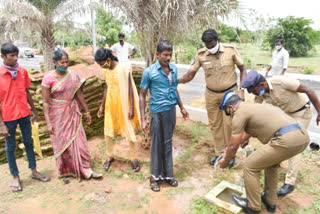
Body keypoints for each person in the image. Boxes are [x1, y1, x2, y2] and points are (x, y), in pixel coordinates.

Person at [218, 91, 309, 214]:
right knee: (270, 165)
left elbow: (233, 145)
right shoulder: (254, 107)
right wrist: (241, 142)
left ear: (230, 107)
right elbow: (251, 130)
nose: (230, 116)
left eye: (228, 114)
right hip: (301, 136)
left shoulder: (238, 113)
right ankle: (270, 201)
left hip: (286, 139)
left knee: (250, 166)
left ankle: (253, 206)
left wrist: (225, 161)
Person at [241, 70, 320, 197]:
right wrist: (246, 137)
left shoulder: (281, 82)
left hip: (301, 111)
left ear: (262, 84)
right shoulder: (260, 95)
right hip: (285, 115)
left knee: (294, 141)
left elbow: (308, 90)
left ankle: (290, 183)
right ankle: (275, 163)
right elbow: (255, 116)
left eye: (254, 90)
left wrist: (319, 110)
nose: (254, 93)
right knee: (277, 141)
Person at [177, 29, 247, 167]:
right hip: (211, 94)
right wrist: (177, 80)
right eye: (207, 46)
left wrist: (242, 89)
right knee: (215, 125)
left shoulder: (230, 50)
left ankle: (229, 154)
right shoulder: (201, 54)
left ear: (218, 40)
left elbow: (243, 69)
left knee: (228, 124)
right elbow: (190, 74)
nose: (210, 48)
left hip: (229, 94)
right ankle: (220, 153)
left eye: (212, 45)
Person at [42, 50, 102, 182]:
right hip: (57, 115)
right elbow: (45, 102)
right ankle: (66, 170)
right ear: (54, 62)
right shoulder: (48, 79)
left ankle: (85, 168)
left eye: (66, 62)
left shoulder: (73, 75)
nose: (65, 64)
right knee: (61, 142)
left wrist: (86, 111)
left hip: (72, 112)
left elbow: (78, 94)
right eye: (61, 62)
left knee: (80, 140)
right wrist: (48, 123)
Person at [139, 40, 189, 192]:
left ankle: (168, 175)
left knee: (168, 143)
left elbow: (174, 89)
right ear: (157, 54)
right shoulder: (149, 72)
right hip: (157, 112)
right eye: (165, 55)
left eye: (170, 55)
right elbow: (141, 95)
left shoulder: (173, 69)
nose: (168, 58)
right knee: (156, 144)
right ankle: (154, 177)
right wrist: (142, 118)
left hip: (170, 111)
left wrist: (181, 107)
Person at [0, 43, 50, 192]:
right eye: (12, 56)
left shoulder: (22, 72)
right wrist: (1, 124)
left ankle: (34, 170)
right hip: (8, 116)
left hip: (24, 113)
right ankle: (15, 176)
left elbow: (27, 92)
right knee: (10, 147)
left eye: (16, 55)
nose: (15, 58)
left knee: (29, 141)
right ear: (3, 56)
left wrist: (34, 110)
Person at [95, 48, 141, 172]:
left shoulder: (124, 68)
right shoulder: (106, 70)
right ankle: (109, 156)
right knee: (108, 131)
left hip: (124, 103)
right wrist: (102, 105)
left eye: (102, 63)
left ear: (108, 60)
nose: (101, 66)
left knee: (129, 129)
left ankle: (133, 158)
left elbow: (130, 87)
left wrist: (131, 107)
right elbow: (106, 87)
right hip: (111, 104)